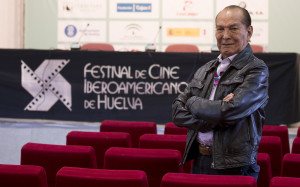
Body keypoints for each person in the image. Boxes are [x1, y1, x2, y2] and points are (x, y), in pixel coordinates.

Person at [172, 5, 269, 180]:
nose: (225, 36)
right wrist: (210, 117)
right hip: (199, 160)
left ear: (249, 31)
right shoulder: (206, 69)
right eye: (220, 29)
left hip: (235, 165)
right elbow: (177, 112)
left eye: (233, 28)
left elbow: (228, 111)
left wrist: (192, 102)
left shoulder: (256, 70)